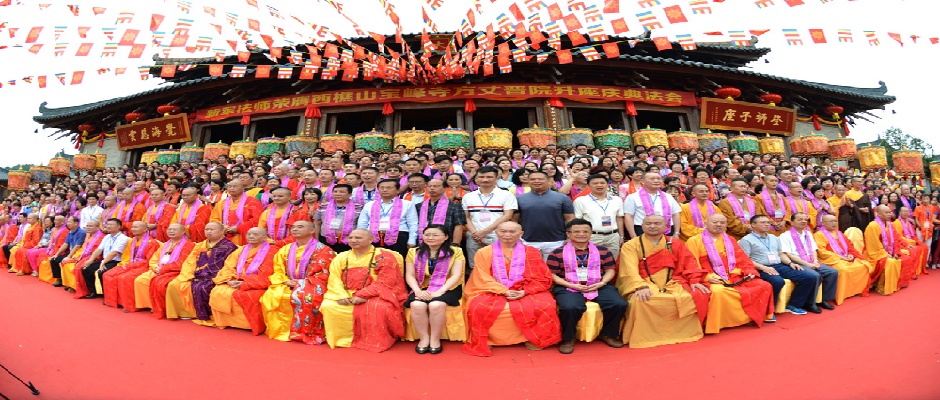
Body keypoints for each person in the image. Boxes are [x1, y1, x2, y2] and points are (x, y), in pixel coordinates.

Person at [462, 222, 561, 356]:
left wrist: (525, 291)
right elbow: (482, 276)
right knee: (479, 307)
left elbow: (541, 276)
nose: (507, 235)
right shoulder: (484, 252)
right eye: (503, 231)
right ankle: (486, 339)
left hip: (525, 288)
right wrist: (503, 291)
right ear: (496, 233)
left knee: (545, 305)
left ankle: (535, 338)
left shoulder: (531, 252)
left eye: (512, 231)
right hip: (491, 289)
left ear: (521, 234)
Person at [618, 215, 708, 348]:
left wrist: (694, 280)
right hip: (644, 282)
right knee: (641, 300)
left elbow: (689, 262)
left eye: (657, 223)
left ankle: (682, 334)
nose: (652, 226)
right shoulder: (631, 245)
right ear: (642, 226)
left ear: (666, 226)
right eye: (648, 223)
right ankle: (644, 338)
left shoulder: (675, 243)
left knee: (691, 296)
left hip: (672, 282)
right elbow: (629, 270)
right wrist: (640, 286)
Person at [319, 229, 407, 351]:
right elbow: (334, 278)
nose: (353, 240)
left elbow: (387, 280)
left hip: (378, 294)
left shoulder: (384, 256)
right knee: (329, 306)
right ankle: (342, 340)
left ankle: (374, 341)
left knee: (377, 308)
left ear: (371, 239)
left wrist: (363, 294)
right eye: (351, 238)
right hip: (346, 293)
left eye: (358, 238)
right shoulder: (341, 257)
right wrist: (340, 295)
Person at [685, 214, 775, 333]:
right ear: (705, 224)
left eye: (722, 222)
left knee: (764, 285)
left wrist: (749, 272)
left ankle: (749, 318)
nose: (718, 225)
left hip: (734, 275)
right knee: (718, 292)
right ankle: (719, 323)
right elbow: (691, 263)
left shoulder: (730, 239)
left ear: (726, 225)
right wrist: (706, 277)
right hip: (711, 276)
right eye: (715, 222)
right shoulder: (694, 241)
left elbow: (742, 259)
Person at [547, 219, 626, 354]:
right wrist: (570, 285)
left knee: (618, 304)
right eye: (576, 231)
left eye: (585, 231)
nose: (581, 234)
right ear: (568, 234)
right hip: (567, 285)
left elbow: (610, 270)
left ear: (591, 233)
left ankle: (608, 334)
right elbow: (552, 275)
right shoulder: (557, 253)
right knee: (570, 307)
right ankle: (568, 339)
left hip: (598, 284)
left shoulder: (603, 251)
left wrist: (602, 282)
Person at [260, 220, 337, 343]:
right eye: (293, 227)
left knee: (306, 297)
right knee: (272, 295)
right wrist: (284, 280)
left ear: (312, 230)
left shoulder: (324, 250)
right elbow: (277, 269)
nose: (295, 229)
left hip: (312, 283)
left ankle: (306, 332)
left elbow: (323, 273)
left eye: (300, 227)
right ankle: (280, 331)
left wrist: (301, 283)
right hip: (287, 282)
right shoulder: (285, 249)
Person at [404, 225, 465, 354]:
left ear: (446, 237)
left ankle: (435, 339)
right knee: (417, 305)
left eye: (435, 235)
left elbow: (456, 275)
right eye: (427, 235)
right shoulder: (414, 252)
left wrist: (441, 291)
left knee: (436, 305)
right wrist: (417, 291)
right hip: (422, 286)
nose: (430, 238)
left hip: (448, 287)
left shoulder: (456, 251)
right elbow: (409, 275)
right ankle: (424, 338)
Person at [209, 227, 277, 335]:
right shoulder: (240, 250)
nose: (251, 236)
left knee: (249, 296)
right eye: (248, 234)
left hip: (257, 283)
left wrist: (245, 283)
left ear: (264, 237)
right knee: (218, 291)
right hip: (235, 279)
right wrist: (229, 279)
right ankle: (225, 322)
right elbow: (228, 266)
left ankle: (251, 325)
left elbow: (269, 272)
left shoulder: (272, 251)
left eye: (255, 234)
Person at [167, 222, 238, 324]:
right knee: (174, 284)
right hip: (195, 274)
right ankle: (184, 312)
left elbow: (223, 265)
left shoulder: (229, 246)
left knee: (202, 287)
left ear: (222, 231)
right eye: (207, 229)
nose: (209, 232)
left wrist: (202, 274)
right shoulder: (201, 245)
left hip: (213, 275)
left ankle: (206, 315)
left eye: (212, 229)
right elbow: (190, 261)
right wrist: (189, 274)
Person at [778, 212, 839, 312]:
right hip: (796, 262)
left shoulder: (808, 234)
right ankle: (810, 303)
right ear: (792, 222)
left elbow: (813, 250)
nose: (803, 221)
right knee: (815, 275)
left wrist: (815, 261)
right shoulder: (785, 236)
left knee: (832, 272)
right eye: (800, 219)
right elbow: (788, 254)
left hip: (811, 261)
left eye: (805, 219)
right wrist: (807, 264)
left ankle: (823, 299)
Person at [133, 222, 196, 319]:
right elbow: (154, 259)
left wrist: (163, 269)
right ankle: (151, 305)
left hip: (175, 271)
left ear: (183, 231)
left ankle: (163, 307)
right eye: (169, 229)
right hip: (159, 269)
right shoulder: (165, 245)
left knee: (160, 283)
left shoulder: (188, 245)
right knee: (141, 280)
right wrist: (155, 267)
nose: (171, 231)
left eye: (174, 229)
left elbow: (181, 263)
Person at [462, 166, 518, 271]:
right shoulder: (468, 196)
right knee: (476, 267)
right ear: (476, 179)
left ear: (496, 178)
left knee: (500, 266)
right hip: (474, 236)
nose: (485, 179)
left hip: (498, 235)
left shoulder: (506, 195)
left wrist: (484, 232)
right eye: (481, 177)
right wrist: (475, 233)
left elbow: (507, 216)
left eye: (489, 177)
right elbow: (465, 217)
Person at [814, 214, 877, 304]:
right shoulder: (818, 235)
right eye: (831, 221)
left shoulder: (839, 233)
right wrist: (841, 257)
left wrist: (851, 254)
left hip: (846, 257)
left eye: (835, 221)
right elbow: (821, 252)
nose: (834, 223)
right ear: (823, 223)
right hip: (832, 260)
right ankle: (841, 295)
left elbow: (849, 245)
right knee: (844, 270)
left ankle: (856, 290)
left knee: (863, 266)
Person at [514, 171, 575, 259]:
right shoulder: (519, 199)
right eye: (532, 179)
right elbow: (514, 221)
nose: (536, 181)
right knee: (531, 266)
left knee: (553, 266)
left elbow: (570, 219)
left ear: (548, 180)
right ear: (528, 181)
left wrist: (570, 237)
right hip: (528, 241)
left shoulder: (562, 198)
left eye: (540, 179)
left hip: (556, 241)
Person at [101, 221, 160, 311]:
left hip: (144, 267)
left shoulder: (152, 243)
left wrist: (131, 266)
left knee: (126, 278)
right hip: (130, 264)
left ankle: (131, 305)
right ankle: (114, 301)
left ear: (145, 229)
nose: (133, 229)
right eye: (132, 227)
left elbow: (148, 260)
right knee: (108, 274)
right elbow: (126, 256)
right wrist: (125, 264)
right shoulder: (131, 241)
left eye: (136, 227)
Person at [356, 178, 418, 258]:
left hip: (398, 236)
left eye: (389, 188)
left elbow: (413, 223)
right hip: (373, 236)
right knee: (374, 260)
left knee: (397, 260)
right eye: (382, 188)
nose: (385, 190)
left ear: (397, 190)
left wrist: (412, 240)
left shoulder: (407, 204)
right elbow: (362, 223)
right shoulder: (369, 204)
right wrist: (360, 237)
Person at [864, 205, 917, 295]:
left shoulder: (890, 225)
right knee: (890, 262)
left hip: (890, 252)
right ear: (879, 214)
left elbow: (896, 239)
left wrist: (896, 252)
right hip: (875, 254)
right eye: (886, 212)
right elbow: (874, 246)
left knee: (906, 258)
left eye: (890, 212)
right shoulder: (873, 226)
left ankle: (899, 284)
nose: (889, 214)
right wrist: (886, 254)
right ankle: (882, 287)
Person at [573, 174, 625, 260]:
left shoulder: (616, 199)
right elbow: (577, 221)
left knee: (613, 261)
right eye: (595, 183)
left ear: (607, 184)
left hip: (613, 236)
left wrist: (621, 236)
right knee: (592, 261)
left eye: (602, 183)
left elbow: (619, 218)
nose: (599, 185)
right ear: (588, 185)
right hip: (592, 236)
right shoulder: (580, 201)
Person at [75, 218, 129, 299]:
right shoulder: (107, 237)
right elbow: (99, 249)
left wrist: (103, 262)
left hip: (116, 261)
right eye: (108, 224)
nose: (108, 226)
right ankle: (93, 291)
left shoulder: (123, 238)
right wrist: (90, 260)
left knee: (102, 272)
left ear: (119, 227)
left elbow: (114, 252)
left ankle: (106, 294)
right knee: (86, 269)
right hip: (105, 260)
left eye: (111, 224)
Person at [624, 171, 681, 239]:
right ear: (642, 181)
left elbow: (675, 214)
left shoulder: (668, 196)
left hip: (666, 229)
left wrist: (676, 232)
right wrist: (633, 235)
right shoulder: (633, 197)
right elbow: (628, 216)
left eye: (658, 179)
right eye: (652, 179)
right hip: (642, 230)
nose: (656, 181)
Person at [210, 179, 264, 245]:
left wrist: (238, 228)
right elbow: (214, 219)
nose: (232, 188)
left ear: (243, 188)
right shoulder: (221, 203)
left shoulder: (252, 201)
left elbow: (257, 219)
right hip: (224, 235)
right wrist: (222, 227)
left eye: (235, 186)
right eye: (229, 186)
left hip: (244, 236)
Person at [415, 178, 466, 247]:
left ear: (445, 189)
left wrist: (455, 244)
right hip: (424, 242)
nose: (432, 188)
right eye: (429, 186)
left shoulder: (454, 206)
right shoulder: (419, 206)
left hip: (447, 243)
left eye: (436, 186)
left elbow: (458, 226)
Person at [314, 184, 362, 254]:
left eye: (342, 192)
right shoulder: (324, 206)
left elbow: (361, 225)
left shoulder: (358, 207)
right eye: (335, 192)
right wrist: (317, 239)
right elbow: (317, 223)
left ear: (350, 194)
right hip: (326, 239)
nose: (338, 194)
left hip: (349, 240)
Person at [58, 220, 103, 291]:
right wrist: (76, 256)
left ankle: (80, 288)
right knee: (65, 263)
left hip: (94, 257)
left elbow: (97, 251)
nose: (88, 227)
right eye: (87, 226)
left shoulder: (101, 237)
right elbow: (83, 248)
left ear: (98, 227)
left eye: (91, 226)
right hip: (83, 255)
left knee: (77, 267)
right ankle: (71, 285)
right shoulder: (87, 235)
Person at [893, 206, 929, 277]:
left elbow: (913, 235)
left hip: (910, 241)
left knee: (924, 247)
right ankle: (911, 272)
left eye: (907, 211)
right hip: (902, 243)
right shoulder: (896, 223)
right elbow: (898, 237)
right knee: (914, 250)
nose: (905, 213)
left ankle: (920, 269)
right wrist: (910, 242)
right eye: (904, 211)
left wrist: (916, 241)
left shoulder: (908, 223)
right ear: (900, 213)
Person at [36, 216, 74, 284]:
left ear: (62, 222)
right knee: (41, 255)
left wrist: (56, 253)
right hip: (53, 250)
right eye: (55, 220)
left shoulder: (65, 231)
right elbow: (51, 242)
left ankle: (57, 279)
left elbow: (63, 245)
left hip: (61, 251)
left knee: (51, 259)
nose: (54, 222)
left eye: (57, 220)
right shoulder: (54, 230)